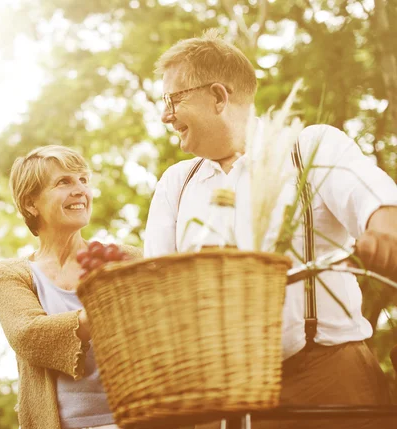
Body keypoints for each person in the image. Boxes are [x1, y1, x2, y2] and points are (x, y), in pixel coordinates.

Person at [145, 30, 397, 428]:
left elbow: (373, 198)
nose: (165, 114)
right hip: (220, 399)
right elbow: (155, 287)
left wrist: (384, 227)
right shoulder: (176, 185)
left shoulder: (309, 147)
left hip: (330, 384)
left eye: (174, 99)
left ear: (218, 96)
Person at [0, 145, 142, 429]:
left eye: (84, 180)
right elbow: (29, 335)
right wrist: (103, 310)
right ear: (31, 203)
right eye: (64, 182)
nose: (80, 190)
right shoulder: (11, 274)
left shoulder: (124, 259)